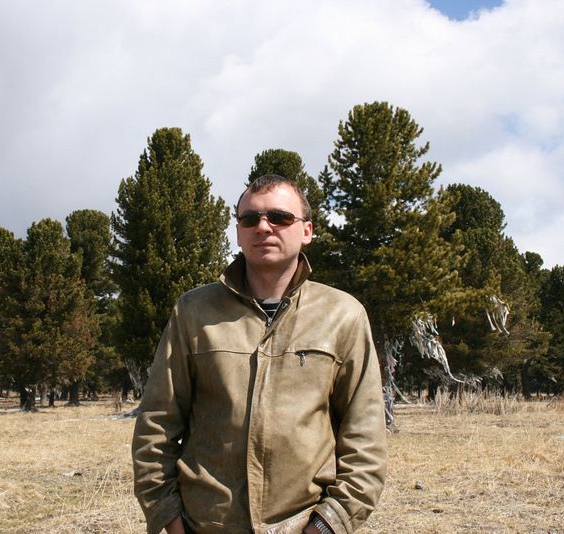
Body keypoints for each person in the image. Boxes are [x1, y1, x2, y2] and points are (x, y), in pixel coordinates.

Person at [132, 174, 387, 534]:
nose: (263, 227)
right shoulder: (193, 312)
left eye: (280, 217)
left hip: (304, 524)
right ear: (238, 232)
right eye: (250, 219)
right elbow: (156, 424)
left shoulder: (343, 315)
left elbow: (365, 439)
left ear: (307, 231)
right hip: (206, 525)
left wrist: (327, 525)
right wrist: (172, 521)